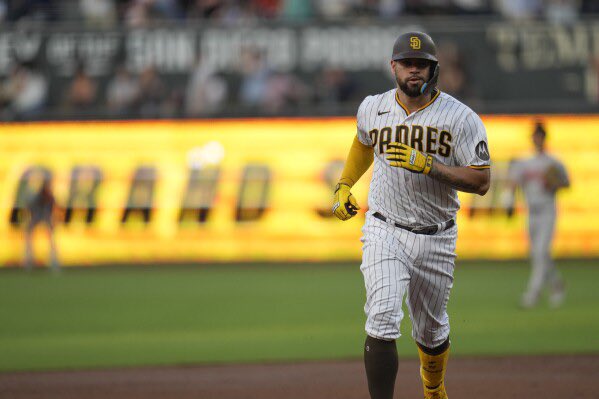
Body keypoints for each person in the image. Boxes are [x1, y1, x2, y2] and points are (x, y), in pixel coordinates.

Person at [332, 31, 491, 399]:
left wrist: (431, 166)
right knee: (383, 318)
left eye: (421, 64)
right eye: (407, 63)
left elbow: (481, 180)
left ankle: (433, 386)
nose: (414, 71)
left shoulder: (461, 118)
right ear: (394, 67)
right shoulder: (373, 107)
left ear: (434, 69)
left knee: (432, 332)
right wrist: (343, 184)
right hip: (385, 228)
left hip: (438, 234)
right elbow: (362, 141)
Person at [505, 122, 570, 309]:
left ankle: (533, 293)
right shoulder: (525, 162)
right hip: (531, 212)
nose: (537, 138)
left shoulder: (554, 162)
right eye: (535, 135)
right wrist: (509, 202)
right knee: (536, 254)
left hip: (548, 210)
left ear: (544, 137)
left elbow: (566, 183)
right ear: (532, 138)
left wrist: (555, 184)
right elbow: (513, 184)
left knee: (541, 252)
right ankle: (557, 285)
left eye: (540, 135)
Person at [23, 179, 60, 272]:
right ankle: (29, 263)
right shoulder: (36, 197)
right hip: (36, 217)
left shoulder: (51, 197)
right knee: (28, 236)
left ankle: (54, 264)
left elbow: (54, 209)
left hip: (46, 217)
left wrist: (51, 221)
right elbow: (29, 207)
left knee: (52, 239)